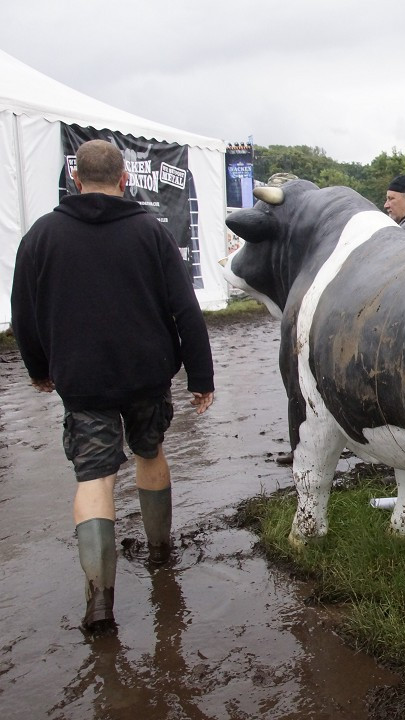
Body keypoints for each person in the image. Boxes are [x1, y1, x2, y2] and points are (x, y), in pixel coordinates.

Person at [10, 139, 215, 633]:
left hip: (82, 381)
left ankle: (100, 603)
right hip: (146, 374)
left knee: (94, 480)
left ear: (75, 180)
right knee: (150, 452)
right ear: (124, 179)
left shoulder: (40, 235)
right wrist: (200, 376)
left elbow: (24, 315)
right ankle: (161, 554)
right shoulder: (152, 230)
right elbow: (185, 307)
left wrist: (39, 369)